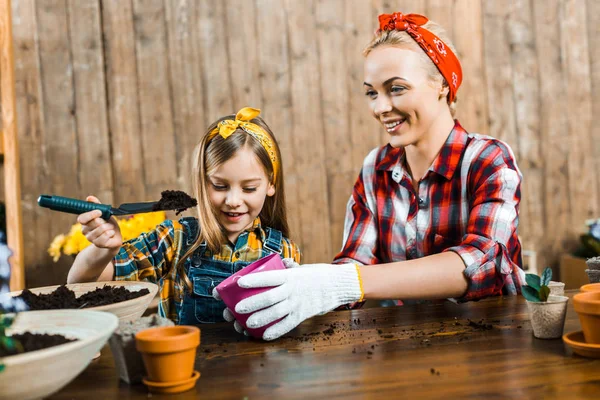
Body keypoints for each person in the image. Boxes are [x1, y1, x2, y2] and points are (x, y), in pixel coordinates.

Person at [218, 12, 526, 341]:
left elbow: (483, 263)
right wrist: (302, 288)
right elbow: (356, 261)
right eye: (372, 93)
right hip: (406, 345)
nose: (380, 107)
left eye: (396, 89)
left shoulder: (488, 160)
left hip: (493, 341)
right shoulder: (375, 168)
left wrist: (343, 282)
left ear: (442, 85)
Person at [67, 107, 301, 325]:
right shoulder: (174, 240)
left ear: (271, 184)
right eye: (219, 186)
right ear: (202, 182)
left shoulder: (284, 251)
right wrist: (103, 249)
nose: (233, 201)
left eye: (249, 188)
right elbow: (81, 286)